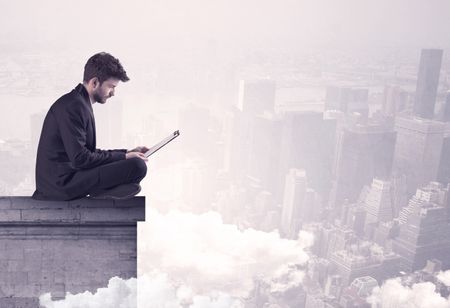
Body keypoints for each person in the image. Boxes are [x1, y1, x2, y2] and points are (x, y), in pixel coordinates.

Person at [32, 52, 148, 201]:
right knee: (137, 166)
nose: (113, 93)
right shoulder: (74, 106)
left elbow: (86, 153)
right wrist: (124, 157)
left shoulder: (79, 102)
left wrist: (126, 152)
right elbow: (81, 159)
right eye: (111, 87)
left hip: (70, 176)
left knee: (135, 165)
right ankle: (104, 189)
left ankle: (105, 190)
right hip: (61, 184)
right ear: (94, 83)